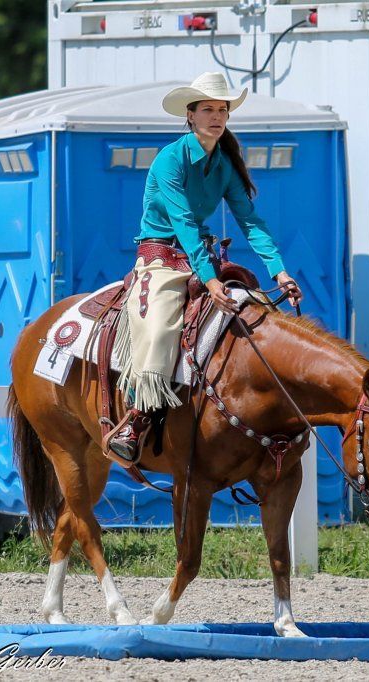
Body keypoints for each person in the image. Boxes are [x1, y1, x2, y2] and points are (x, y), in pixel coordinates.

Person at [105, 72, 303, 463]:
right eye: (208, 109)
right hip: (161, 257)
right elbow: (184, 223)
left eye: (222, 109)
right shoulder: (169, 160)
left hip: (201, 257)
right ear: (190, 115)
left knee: (256, 307)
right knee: (161, 325)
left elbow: (250, 221)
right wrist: (211, 281)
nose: (216, 116)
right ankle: (137, 416)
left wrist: (280, 271)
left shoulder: (224, 165)